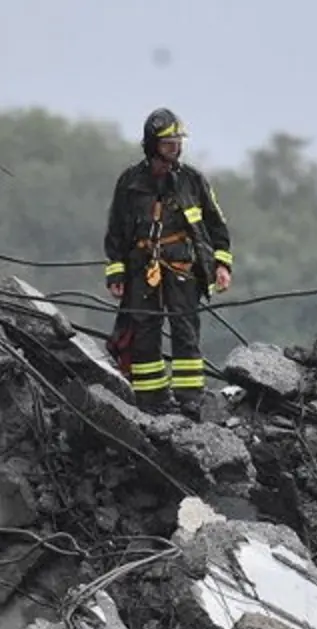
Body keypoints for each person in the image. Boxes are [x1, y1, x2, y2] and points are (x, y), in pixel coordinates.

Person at [102, 108, 234, 421]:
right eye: (168, 143)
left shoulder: (192, 181)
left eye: (177, 143)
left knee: (185, 330)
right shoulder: (130, 182)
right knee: (144, 331)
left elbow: (216, 225)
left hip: (182, 266)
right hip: (141, 266)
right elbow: (116, 229)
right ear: (152, 145)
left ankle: (189, 400)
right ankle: (152, 399)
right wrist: (116, 272)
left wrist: (221, 264)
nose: (175, 149)